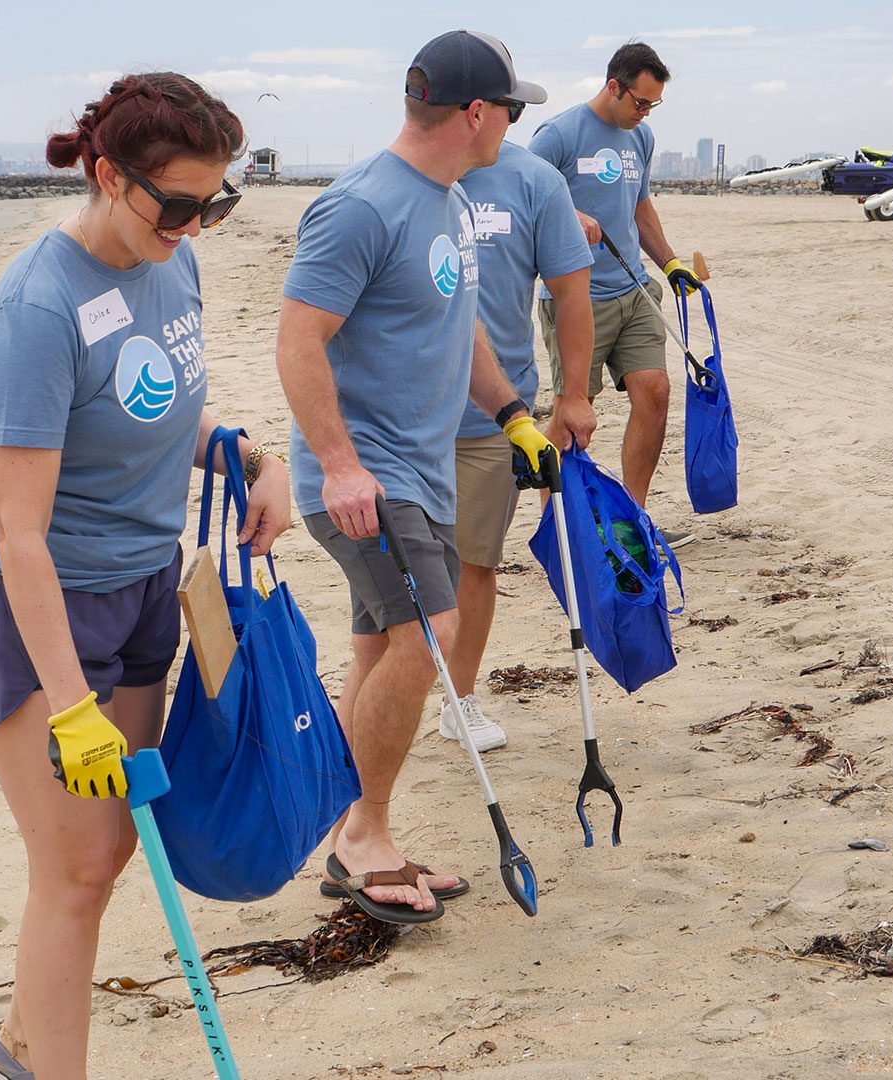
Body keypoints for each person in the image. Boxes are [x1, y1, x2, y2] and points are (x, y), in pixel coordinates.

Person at [0, 73, 291, 1080]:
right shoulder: (36, 309)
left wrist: (242, 453)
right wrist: (66, 708)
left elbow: (157, 411)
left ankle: (22, 1047)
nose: (193, 226)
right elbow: (18, 533)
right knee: (77, 867)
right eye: (176, 203)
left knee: (109, 853)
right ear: (106, 174)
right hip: (40, 606)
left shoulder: (168, 264)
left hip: (148, 588)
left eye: (214, 204)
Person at [275, 30, 555, 924]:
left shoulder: (450, 200)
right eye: (510, 110)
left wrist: (512, 412)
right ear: (476, 113)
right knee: (427, 629)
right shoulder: (361, 206)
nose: (513, 124)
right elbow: (297, 343)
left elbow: (456, 318)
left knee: (379, 648)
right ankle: (367, 837)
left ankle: (352, 832)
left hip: (420, 472)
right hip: (366, 479)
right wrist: (343, 465)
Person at [442, 140, 595, 752]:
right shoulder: (410, 178)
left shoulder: (537, 182)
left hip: (493, 415)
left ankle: (460, 698)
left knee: (475, 562)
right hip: (400, 422)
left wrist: (573, 396)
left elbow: (571, 294)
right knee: (397, 571)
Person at [528, 41, 701, 547]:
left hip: (633, 290)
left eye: (654, 105)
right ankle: (555, 530)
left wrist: (669, 263)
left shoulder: (640, 138)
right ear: (613, 86)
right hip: (575, 299)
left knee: (656, 391)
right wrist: (567, 215)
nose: (646, 113)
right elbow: (521, 198)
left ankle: (632, 522)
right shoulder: (557, 136)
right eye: (641, 102)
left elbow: (640, 207)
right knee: (570, 416)